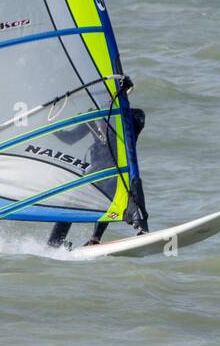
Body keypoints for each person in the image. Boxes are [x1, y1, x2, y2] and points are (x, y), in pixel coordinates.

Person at [47, 79, 148, 248]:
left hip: (118, 172)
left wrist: (117, 100)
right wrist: (52, 127)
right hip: (96, 170)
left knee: (111, 200)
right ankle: (54, 243)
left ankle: (97, 238)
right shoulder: (94, 116)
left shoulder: (136, 116)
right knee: (71, 206)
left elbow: (128, 124)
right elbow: (71, 139)